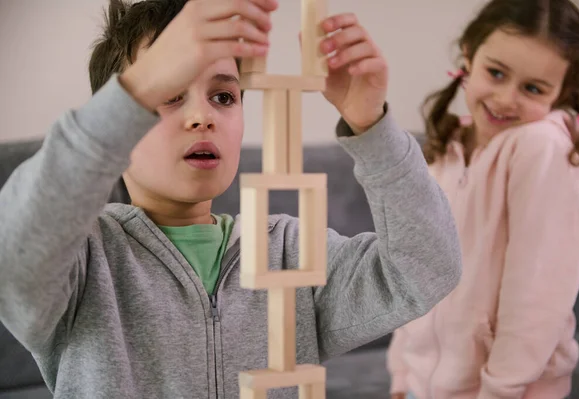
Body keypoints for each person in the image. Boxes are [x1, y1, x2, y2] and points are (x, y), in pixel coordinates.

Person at [0, 0, 462, 398]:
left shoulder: (286, 251)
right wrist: (138, 88)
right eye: (168, 93)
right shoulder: (83, 262)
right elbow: (15, 249)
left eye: (223, 96)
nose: (202, 116)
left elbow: (426, 267)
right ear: (120, 119)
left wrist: (371, 125)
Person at [387, 0, 579, 398]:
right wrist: (403, 374)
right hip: (423, 387)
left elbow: (537, 296)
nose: (505, 98)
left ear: (561, 93)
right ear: (468, 57)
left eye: (533, 88)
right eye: (496, 73)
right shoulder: (445, 149)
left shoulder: (543, 150)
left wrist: (501, 389)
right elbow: (412, 270)